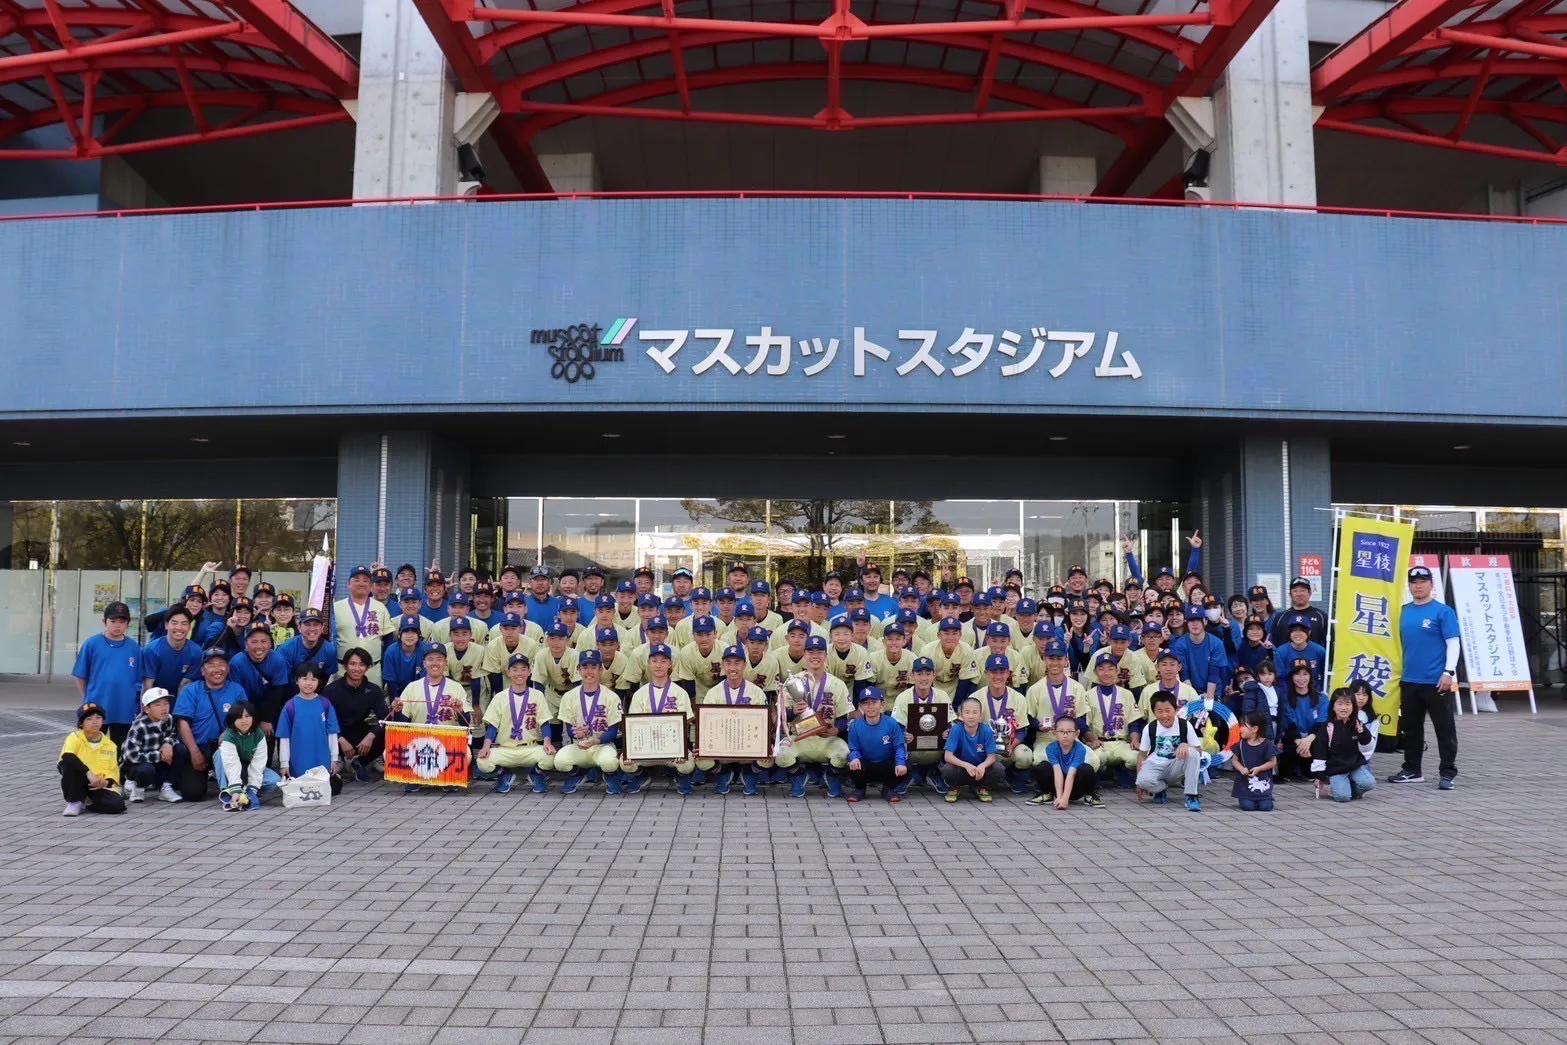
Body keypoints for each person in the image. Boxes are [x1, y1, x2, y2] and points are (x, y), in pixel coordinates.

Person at [1392, 564, 1462, 789]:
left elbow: (1453, 643)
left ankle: (1447, 773)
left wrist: (1448, 672)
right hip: (1409, 680)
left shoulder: (1443, 611)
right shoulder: (1402, 611)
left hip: (1436, 681)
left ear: (1431, 585)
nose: (1418, 586)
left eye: (1422, 582)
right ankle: (1412, 770)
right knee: (1411, 728)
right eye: (1414, 582)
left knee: (1444, 728)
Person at [773, 636, 853, 799]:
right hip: (799, 737)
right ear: (804, 654)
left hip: (826, 739)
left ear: (826, 656)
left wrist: (836, 730)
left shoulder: (837, 684)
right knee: (780, 755)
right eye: (811, 652)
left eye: (819, 652)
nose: (815, 656)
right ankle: (798, 775)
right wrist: (793, 711)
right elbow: (783, 718)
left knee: (843, 754)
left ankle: (831, 775)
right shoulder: (793, 682)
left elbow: (843, 718)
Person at [624, 643, 706, 795]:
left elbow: (686, 723)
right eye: (654, 661)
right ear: (649, 663)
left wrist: (681, 748)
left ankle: (681, 777)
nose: (658, 665)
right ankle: (641, 775)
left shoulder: (680, 693)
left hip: (672, 747)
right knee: (625, 762)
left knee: (687, 764)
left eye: (663, 661)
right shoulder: (640, 694)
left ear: (670, 664)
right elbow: (635, 725)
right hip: (647, 747)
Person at [389, 643, 472, 793]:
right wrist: (398, 712)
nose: (435, 663)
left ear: (445, 663)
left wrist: (460, 711)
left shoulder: (456, 687)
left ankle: (447, 777)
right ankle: (415, 777)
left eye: (439, 659)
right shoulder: (412, 687)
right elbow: (402, 724)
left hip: (447, 741)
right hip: (418, 742)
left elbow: (466, 724)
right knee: (388, 752)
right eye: (430, 659)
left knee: (467, 754)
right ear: (424, 663)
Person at [171, 647, 248, 802]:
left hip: (226, 748)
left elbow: (244, 721)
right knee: (192, 794)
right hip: (198, 747)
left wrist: (229, 733)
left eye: (221, 664)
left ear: (228, 668)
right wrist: (194, 752)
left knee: (243, 784)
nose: (217, 669)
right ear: (202, 670)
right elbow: (183, 723)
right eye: (211, 665)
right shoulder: (191, 690)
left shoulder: (237, 690)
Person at [476, 653, 557, 794]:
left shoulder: (537, 695)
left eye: (523, 669)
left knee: (551, 757)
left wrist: (547, 742)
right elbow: (492, 726)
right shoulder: (500, 697)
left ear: (529, 671)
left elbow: (544, 723)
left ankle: (536, 774)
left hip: (530, 747)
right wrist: (486, 746)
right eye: (515, 669)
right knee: (482, 762)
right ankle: (504, 774)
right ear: (508, 672)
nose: (519, 673)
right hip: (506, 748)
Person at [553, 650, 626, 794]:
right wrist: (576, 733)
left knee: (609, 762)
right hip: (579, 745)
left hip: (602, 746)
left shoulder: (611, 696)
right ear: (578, 669)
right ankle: (578, 773)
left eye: (593, 667)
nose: (589, 671)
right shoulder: (569, 696)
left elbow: (612, 732)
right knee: (560, 761)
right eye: (585, 667)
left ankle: (610, 775)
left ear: (600, 670)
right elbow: (569, 729)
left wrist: (595, 741)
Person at [705, 643, 773, 795]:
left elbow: (764, 724)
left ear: (744, 665)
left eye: (737, 663)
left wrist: (767, 744)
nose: (732, 668)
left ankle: (750, 774)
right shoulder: (713, 693)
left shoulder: (756, 692)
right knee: (700, 758)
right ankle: (722, 773)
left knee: (769, 757)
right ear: (723, 665)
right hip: (722, 746)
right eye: (728, 663)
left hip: (747, 744)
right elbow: (707, 726)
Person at [72, 600, 143, 746]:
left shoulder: (134, 648)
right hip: (97, 707)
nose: (117, 625)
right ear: (104, 622)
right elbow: (80, 675)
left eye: (122, 622)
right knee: (93, 746)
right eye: (113, 621)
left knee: (120, 748)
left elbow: (139, 678)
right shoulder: (92, 644)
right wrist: (89, 696)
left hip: (124, 708)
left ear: (128, 623)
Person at [323, 648, 387, 783]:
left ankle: (360, 761)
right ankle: (337, 758)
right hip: (336, 733)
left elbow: (385, 718)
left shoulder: (373, 690)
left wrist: (371, 736)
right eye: (352, 664)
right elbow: (323, 720)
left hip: (359, 731)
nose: (357, 669)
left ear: (367, 668)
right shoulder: (331, 690)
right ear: (345, 666)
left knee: (385, 730)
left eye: (362, 664)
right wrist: (340, 739)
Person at [276, 664, 341, 793]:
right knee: (301, 790)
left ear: (318, 682)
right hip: (298, 759)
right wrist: (284, 763)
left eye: (313, 679)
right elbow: (284, 737)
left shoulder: (325, 704)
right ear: (297, 681)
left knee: (322, 790)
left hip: (321, 759)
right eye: (304, 679)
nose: (308, 683)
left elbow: (332, 733)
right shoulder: (290, 706)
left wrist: (334, 758)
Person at [1135, 692, 1203, 812]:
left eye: (1168, 710)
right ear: (1154, 712)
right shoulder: (1150, 728)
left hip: (1176, 766)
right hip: (1155, 765)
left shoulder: (1184, 725)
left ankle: (1191, 796)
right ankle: (1161, 789)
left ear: (1175, 710)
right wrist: (1138, 783)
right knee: (1143, 781)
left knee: (1193, 753)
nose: (1164, 715)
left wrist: (1186, 745)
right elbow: (1142, 755)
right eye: (1159, 711)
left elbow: (1199, 751)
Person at [1079, 652, 1138, 784]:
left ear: (1117, 671)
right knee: (1094, 758)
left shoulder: (1127, 694)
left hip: (1121, 742)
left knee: (1135, 758)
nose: (1106, 673)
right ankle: (1101, 772)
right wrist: (1092, 739)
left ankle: (1122, 769)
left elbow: (1133, 722)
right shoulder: (1088, 695)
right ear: (1095, 672)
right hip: (1099, 742)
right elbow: (1083, 724)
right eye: (1101, 669)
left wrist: (1134, 740)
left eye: (1111, 669)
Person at [59, 703, 126, 816]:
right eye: (89, 719)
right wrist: (88, 773)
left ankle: (86, 801)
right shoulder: (75, 737)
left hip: (97, 784)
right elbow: (67, 756)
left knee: (118, 805)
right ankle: (74, 801)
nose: (94, 722)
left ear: (103, 721)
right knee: (68, 764)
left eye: (98, 718)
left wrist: (106, 782)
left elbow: (113, 770)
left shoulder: (110, 745)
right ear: (81, 723)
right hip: (79, 779)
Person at [334, 565, 395, 686]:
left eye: (365, 580)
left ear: (371, 585)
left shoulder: (380, 608)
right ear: (348, 583)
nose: (361, 583)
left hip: (373, 670)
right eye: (356, 580)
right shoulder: (336, 607)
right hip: (343, 670)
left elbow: (388, 640)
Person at [845, 687, 908, 802]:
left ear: (882, 704)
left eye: (874, 702)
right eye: (865, 703)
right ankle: (859, 789)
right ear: (860, 706)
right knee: (851, 763)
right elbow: (854, 749)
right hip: (866, 765)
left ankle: (889, 788)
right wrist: (854, 758)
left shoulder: (891, 723)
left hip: (886, 764)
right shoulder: (855, 726)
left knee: (905, 766)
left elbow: (899, 747)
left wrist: (900, 763)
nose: (870, 707)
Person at [1313, 689, 1377, 802]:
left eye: (1348, 704)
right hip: (1336, 768)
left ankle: (1348, 787)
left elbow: (1368, 747)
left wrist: (1363, 733)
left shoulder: (1358, 724)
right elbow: (1320, 752)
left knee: (1369, 784)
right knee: (1343, 797)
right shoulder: (1327, 727)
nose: (1344, 708)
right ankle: (1336, 787)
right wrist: (1319, 776)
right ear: (1333, 706)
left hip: (1355, 765)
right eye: (1339, 704)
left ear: (1353, 707)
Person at [119, 687, 181, 803]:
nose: (163, 708)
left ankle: (165, 787)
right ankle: (136, 787)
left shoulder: (168, 719)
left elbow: (172, 734)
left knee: (181, 750)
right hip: (137, 765)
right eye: (158, 705)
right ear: (147, 709)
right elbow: (131, 755)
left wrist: (167, 743)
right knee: (146, 769)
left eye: (166, 703)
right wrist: (160, 756)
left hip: (158, 763)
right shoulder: (139, 726)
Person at [1028, 714, 1103, 808]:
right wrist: (1059, 797)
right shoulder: (1050, 748)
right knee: (1043, 766)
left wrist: (1065, 799)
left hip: (1076, 788)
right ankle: (1047, 794)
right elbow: (1057, 771)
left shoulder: (1080, 749)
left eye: (1069, 731)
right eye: (1061, 731)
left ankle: (1089, 795)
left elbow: (1072, 773)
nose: (1065, 735)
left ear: (1076, 734)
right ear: (1054, 733)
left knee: (1086, 769)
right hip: (1057, 786)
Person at [217, 700, 280, 811]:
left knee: (274, 780)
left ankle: (247, 792)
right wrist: (235, 789)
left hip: (248, 768)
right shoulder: (229, 735)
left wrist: (253, 789)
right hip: (232, 769)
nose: (244, 721)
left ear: (253, 717)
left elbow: (259, 763)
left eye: (247, 716)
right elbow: (231, 764)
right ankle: (230, 793)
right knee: (219, 754)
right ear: (232, 719)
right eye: (239, 717)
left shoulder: (259, 734)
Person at [228, 624, 292, 732]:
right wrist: (247, 720)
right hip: (245, 707)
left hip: (270, 707)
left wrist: (267, 719)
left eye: (264, 641)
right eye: (254, 642)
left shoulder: (278, 660)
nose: (259, 646)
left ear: (270, 643)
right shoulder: (236, 663)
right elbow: (236, 695)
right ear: (246, 644)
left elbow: (278, 692)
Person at [940, 696, 1005, 802]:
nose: (971, 716)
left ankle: (983, 788)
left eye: (975, 712)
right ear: (961, 715)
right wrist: (966, 765)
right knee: (947, 769)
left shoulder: (987, 731)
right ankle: (954, 789)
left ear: (980, 715)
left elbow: (992, 757)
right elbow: (948, 756)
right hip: (962, 769)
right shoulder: (956, 730)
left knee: (998, 768)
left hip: (980, 771)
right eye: (967, 712)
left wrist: (983, 766)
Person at [1278, 659, 1329, 781]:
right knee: (1288, 756)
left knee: (1319, 745)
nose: (1301, 678)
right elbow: (1289, 725)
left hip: (1313, 738)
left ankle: (1309, 770)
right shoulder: (1285, 699)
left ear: (1311, 676)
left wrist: (1308, 740)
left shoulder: (1322, 698)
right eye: (1297, 674)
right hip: (1294, 739)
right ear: (1291, 677)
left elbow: (1321, 724)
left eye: (1305, 674)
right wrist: (1300, 742)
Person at [140, 605, 204, 699]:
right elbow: (147, 686)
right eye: (174, 623)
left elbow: (185, 685)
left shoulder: (196, 652)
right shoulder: (152, 650)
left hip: (179, 699)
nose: (179, 627)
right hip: (155, 699)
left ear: (189, 627)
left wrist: (180, 708)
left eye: (184, 624)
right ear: (166, 625)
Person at [1169, 605, 1228, 702]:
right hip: (1189, 689)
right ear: (1187, 623)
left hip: (1213, 690)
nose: (1195, 624)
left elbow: (1214, 673)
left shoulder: (1216, 643)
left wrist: (1209, 699)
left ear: (1205, 621)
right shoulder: (1180, 644)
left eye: (1198, 620)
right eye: (1191, 620)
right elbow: (1184, 674)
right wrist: (1195, 699)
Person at [1231, 710, 1277, 811]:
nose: (1240, 729)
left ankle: (1264, 799)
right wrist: (1241, 768)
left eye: (1243, 726)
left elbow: (1272, 762)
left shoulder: (1267, 744)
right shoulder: (1241, 744)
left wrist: (1260, 768)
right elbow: (1235, 760)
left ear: (1255, 728)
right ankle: (1246, 799)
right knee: (1247, 806)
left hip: (1262, 780)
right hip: (1245, 786)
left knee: (1266, 807)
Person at [1273, 615, 1327, 692]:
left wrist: (1318, 692)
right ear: (1289, 632)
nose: (1298, 634)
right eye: (1294, 630)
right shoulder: (1281, 652)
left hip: (1314, 692)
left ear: (1309, 632)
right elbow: (1280, 679)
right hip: (1289, 693)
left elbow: (1325, 675)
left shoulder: (1319, 651)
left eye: (1302, 630)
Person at [1268, 577, 1328, 647]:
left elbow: (1329, 644)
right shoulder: (1280, 618)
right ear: (1290, 595)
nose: (1299, 594)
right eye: (1295, 591)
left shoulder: (1321, 617)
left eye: (1302, 590)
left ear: (1310, 593)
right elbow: (1274, 644)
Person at [278, 609, 338, 678]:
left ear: (322, 627)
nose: (312, 629)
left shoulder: (329, 650)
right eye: (307, 625)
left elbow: (329, 675)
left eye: (316, 625)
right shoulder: (286, 649)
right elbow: (282, 678)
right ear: (299, 627)